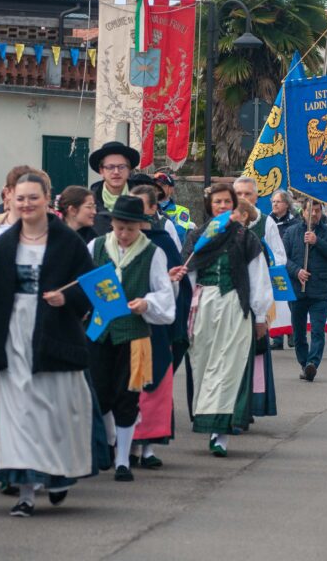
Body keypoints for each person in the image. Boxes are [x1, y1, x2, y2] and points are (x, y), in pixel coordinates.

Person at [0, 173, 106, 517]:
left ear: (47, 199)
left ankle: (58, 477)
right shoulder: (4, 243)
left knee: (53, 410)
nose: (26, 204)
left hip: (53, 334)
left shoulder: (68, 243)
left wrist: (66, 298)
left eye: (33, 198)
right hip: (11, 334)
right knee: (18, 414)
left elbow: (92, 287)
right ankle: (25, 491)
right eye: (20, 198)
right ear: (11, 200)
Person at [85, 195, 177, 481]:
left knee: (127, 396)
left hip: (135, 336)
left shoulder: (152, 253)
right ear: (111, 224)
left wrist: (146, 304)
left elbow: (164, 293)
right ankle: (107, 448)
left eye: (130, 229)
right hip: (100, 334)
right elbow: (82, 283)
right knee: (99, 393)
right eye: (120, 228)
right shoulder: (96, 247)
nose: (124, 234)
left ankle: (123, 459)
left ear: (141, 226)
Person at [179, 183, 273, 456]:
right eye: (217, 202)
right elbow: (188, 275)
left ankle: (221, 434)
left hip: (235, 304)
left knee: (229, 366)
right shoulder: (198, 236)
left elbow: (258, 278)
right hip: (203, 305)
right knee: (204, 363)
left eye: (226, 202)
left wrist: (259, 316)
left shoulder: (245, 238)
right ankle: (207, 421)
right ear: (209, 205)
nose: (222, 206)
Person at [128, 186, 191, 469]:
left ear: (153, 209)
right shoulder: (117, 242)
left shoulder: (163, 241)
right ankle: (127, 443)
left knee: (155, 385)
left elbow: (179, 284)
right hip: (126, 324)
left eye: (142, 207)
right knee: (129, 384)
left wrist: (170, 283)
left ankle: (150, 445)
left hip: (157, 325)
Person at [233, 177, 283, 415]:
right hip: (230, 297)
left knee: (256, 351)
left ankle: (252, 403)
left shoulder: (267, 223)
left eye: (248, 194)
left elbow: (279, 258)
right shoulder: (224, 222)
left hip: (256, 297)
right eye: (239, 194)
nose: (243, 198)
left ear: (256, 197)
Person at [283, 199, 327, 379]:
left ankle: (312, 363)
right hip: (297, 290)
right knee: (299, 333)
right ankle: (303, 363)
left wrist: (317, 242)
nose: (314, 214)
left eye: (318, 210)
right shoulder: (291, 232)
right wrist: (297, 271)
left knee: (317, 330)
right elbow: (283, 258)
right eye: (311, 210)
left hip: (319, 290)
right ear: (303, 212)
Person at [89, 141, 140, 235]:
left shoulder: (142, 199)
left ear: (129, 169)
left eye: (121, 167)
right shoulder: (89, 203)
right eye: (110, 167)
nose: (116, 172)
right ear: (101, 171)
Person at [269, 190, 299, 350]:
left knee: (289, 302)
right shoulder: (268, 222)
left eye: (278, 201)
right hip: (274, 267)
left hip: (290, 266)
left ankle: (292, 333)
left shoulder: (295, 223)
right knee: (276, 302)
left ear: (286, 204)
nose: (274, 204)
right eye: (273, 201)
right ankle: (277, 337)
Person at [154, 172, 191, 244]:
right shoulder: (147, 207)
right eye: (155, 185)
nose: (157, 188)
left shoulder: (182, 210)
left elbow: (179, 234)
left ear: (171, 189)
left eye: (162, 185)